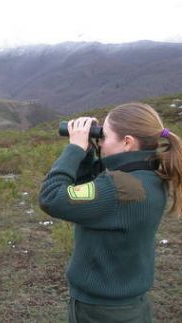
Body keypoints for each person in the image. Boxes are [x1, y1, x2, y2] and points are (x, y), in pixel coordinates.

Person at [39, 102, 182, 322]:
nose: (101, 142)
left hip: (101, 312)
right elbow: (92, 192)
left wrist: (75, 149)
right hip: (128, 305)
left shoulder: (121, 188)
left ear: (127, 142)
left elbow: (51, 197)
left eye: (104, 136)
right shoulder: (149, 177)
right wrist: (88, 155)